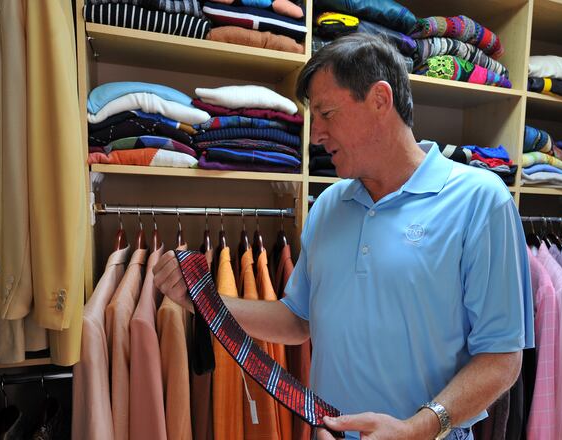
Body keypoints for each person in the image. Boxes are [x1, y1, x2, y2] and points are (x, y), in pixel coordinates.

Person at [154, 34, 534, 440]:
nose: (316, 134)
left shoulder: (481, 201)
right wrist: (203, 299)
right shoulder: (329, 205)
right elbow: (297, 321)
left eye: (327, 114)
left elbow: (502, 357)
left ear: (380, 100)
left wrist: (416, 429)